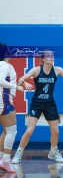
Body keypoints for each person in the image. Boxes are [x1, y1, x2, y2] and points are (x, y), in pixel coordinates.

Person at [11, 49, 63, 164]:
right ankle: (18, 154)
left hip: (50, 104)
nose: (51, 57)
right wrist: (24, 83)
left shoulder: (57, 70)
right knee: (29, 131)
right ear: (43, 59)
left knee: (55, 131)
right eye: (48, 56)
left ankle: (53, 152)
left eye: (52, 55)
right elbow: (21, 79)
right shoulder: (37, 70)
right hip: (37, 103)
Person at [0, 43, 26, 173]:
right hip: (3, 101)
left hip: (3, 100)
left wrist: (17, 83)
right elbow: (0, 80)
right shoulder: (5, 65)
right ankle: (5, 160)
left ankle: (1, 158)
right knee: (12, 131)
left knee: (5, 131)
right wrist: (16, 87)